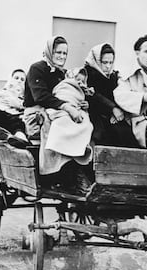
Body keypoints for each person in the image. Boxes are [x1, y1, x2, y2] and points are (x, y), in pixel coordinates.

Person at [24, 36, 92, 195]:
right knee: (60, 125)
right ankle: (56, 174)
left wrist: (81, 103)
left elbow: (67, 92)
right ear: (49, 52)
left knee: (84, 124)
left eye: (64, 53)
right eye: (57, 52)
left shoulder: (62, 73)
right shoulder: (37, 68)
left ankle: (79, 170)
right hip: (36, 112)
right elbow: (41, 97)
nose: (61, 56)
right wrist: (67, 107)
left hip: (58, 110)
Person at [84, 43, 138, 147]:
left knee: (126, 133)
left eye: (110, 62)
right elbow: (92, 96)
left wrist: (116, 110)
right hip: (93, 115)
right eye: (104, 62)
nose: (108, 66)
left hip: (111, 116)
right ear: (97, 61)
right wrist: (112, 108)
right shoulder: (87, 73)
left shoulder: (113, 76)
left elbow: (118, 95)